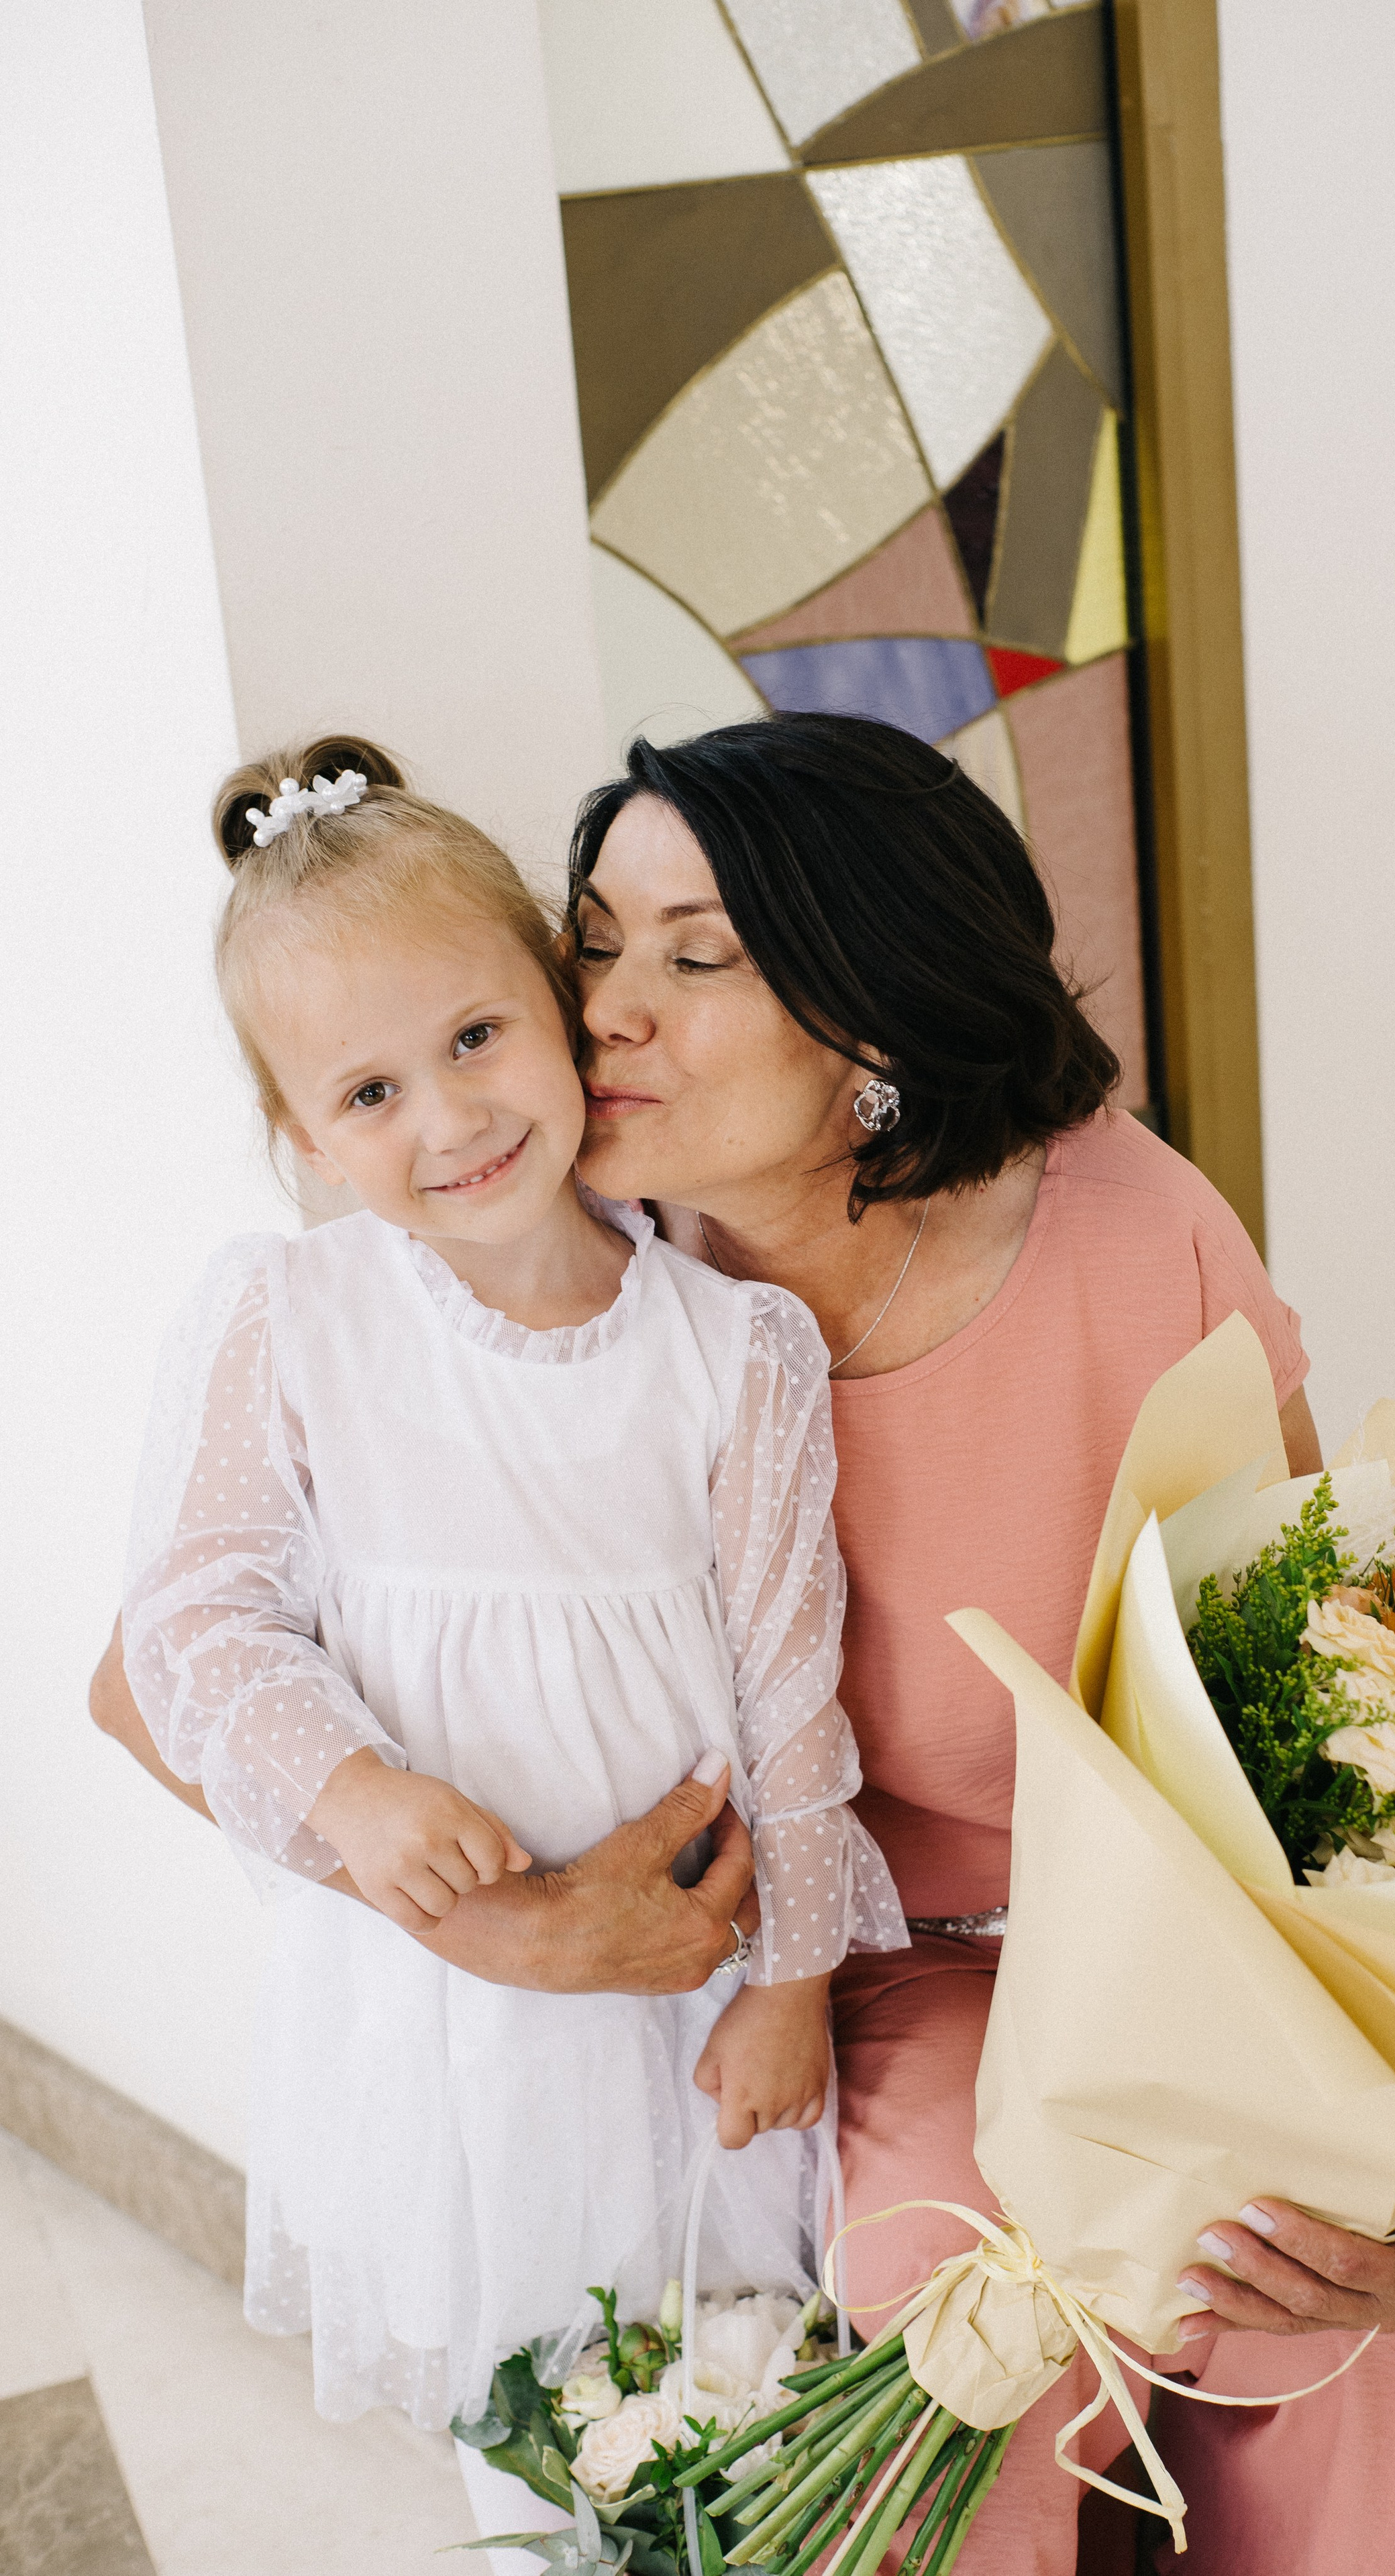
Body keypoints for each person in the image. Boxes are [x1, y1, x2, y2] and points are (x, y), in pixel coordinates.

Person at [95, 714, 1395, 2576]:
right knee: (956, 2307)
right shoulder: (549, 1250)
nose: (602, 1012)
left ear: (870, 1019)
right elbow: (154, 1675)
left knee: (1323, 2270)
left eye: (696, 959)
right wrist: (500, 1924)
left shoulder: (1131, 1235)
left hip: (1178, 1947)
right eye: (594, 941)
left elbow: (1333, 1702)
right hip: (873, 1978)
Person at [115, 735, 907, 2461]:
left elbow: (789, 1686)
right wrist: (352, 1787)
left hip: (690, 1986)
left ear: (557, 1001)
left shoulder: (734, 1343)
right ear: (304, 1136)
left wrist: (788, 1981)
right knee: (523, 2406)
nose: (452, 1118)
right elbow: (189, 1622)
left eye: (475, 1036)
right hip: (442, 2009)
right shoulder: (293, 1318)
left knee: (718, 2386)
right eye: (370, 1092)